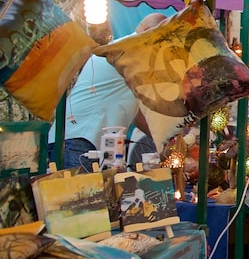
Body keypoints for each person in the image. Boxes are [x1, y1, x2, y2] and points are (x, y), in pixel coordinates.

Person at [49, 13, 168, 171]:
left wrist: (163, 141)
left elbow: (137, 114)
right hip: (77, 140)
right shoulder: (126, 53)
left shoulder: (125, 53)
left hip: (83, 141)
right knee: (81, 194)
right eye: (163, 40)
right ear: (148, 33)